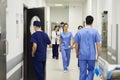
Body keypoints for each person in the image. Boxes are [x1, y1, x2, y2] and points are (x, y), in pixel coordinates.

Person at [74, 16, 101, 80]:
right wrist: (98, 55)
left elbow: (76, 44)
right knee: (91, 71)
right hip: (92, 56)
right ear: (92, 22)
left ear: (85, 22)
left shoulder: (79, 32)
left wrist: (77, 53)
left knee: (82, 72)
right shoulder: (95, 32)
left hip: (82, 55)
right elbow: (98, 45)